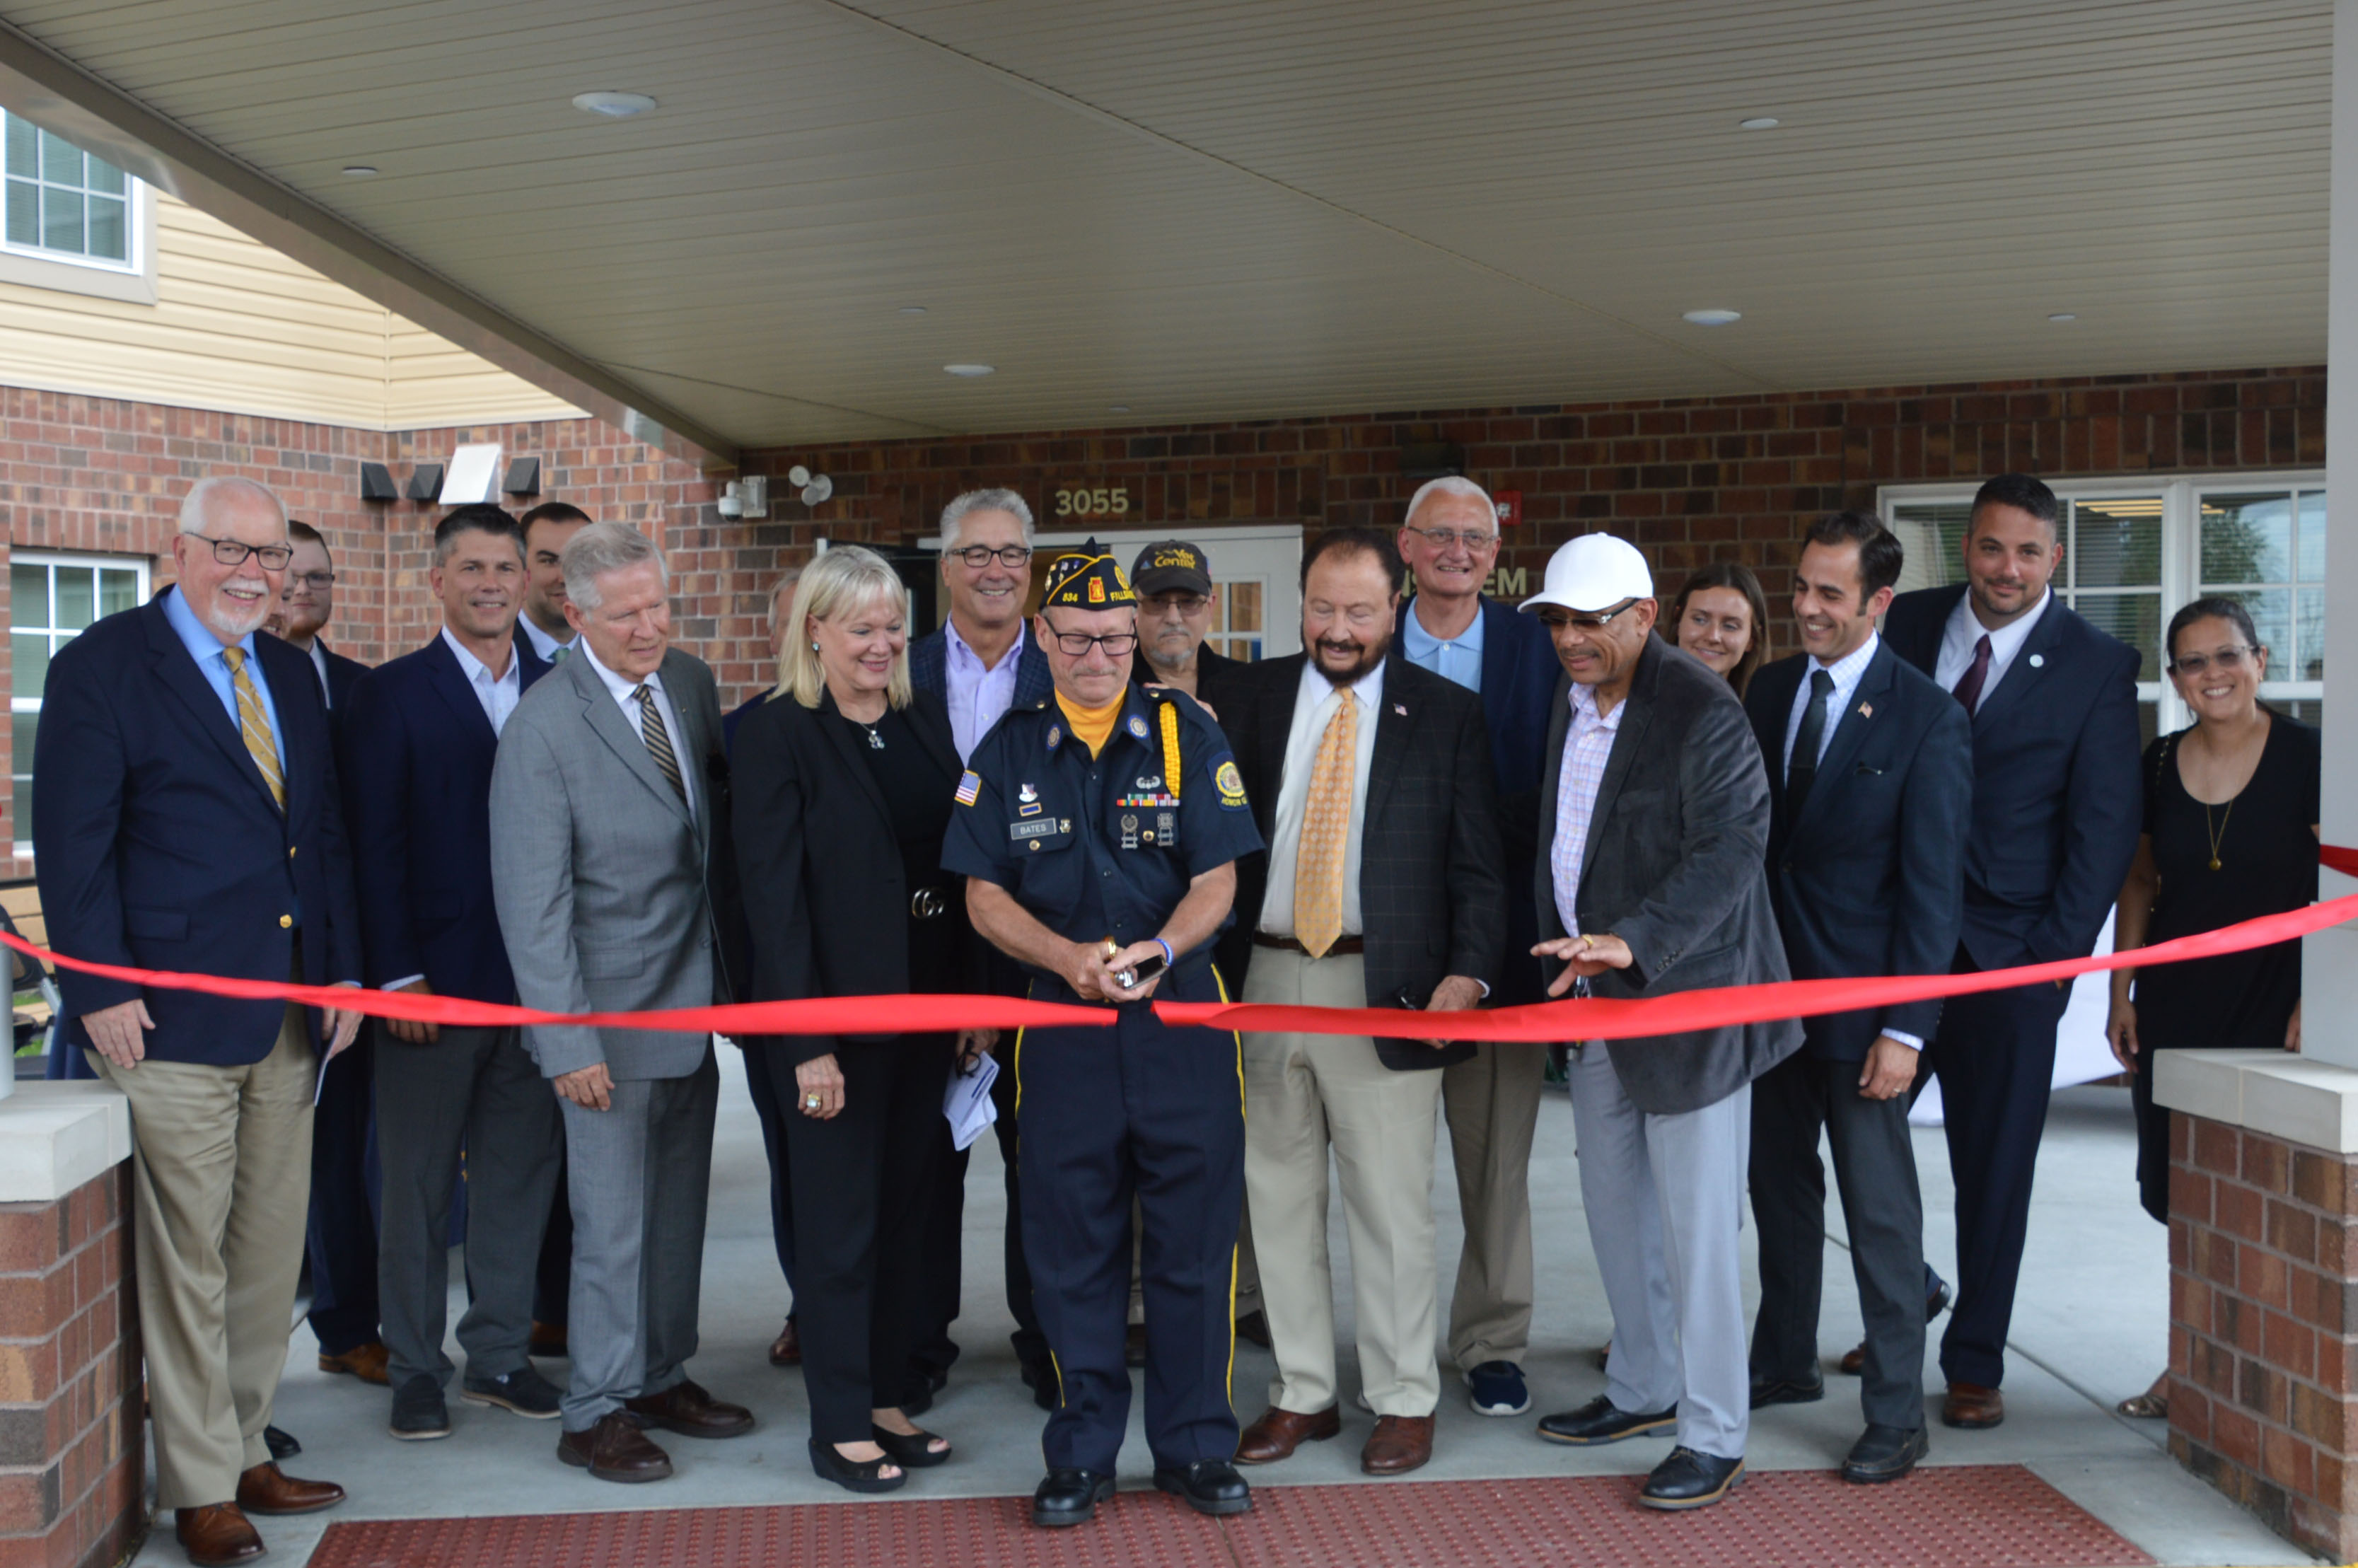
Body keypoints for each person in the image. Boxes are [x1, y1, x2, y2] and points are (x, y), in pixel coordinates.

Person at [34, 475, 364, 1567]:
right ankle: (199, 1486)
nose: (252, 573)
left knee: (269, 1251)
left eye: (268, 556)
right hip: (163, 1015)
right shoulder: (102, 667)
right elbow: (75, 844)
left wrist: (345, 979)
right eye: (230, 549)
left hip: (289, 1006)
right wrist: (97, 984)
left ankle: (243, 1443)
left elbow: (321, 839)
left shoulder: (286, 672)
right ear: (178, 548)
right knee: (189, 1263)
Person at [941, 540, 1264, 1528]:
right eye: (1078, 639)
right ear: (1041, 636)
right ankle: (1080, 1453)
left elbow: (1220, 876)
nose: (1100, 657)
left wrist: (1162, 948)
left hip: (1182, 1025)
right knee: (1069, 1249)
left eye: (1117, 639)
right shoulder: (1005, 748)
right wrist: (1065, 955)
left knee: (1193, 1249)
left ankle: (1196, 1446)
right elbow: (981, 892)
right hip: (1065, 1034)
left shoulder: (1186, 733)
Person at [1220, 526, 1506, 1478]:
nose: (1336, 628)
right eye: (1320, 607)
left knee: (1389, 1206)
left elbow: (1478, 864)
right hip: (1260, 977)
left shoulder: (1449, 714)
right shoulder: (1247, 698)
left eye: (1357, 610)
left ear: (1396, 608)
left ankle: (1401, 1397)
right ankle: (1302, 1391)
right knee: (1278, 1196)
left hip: (1388, 990)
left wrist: (1465, 974)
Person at [1523, 533, 1799, 1513]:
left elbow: (1731, 852)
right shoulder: (1573, 698)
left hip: (1686, 1006)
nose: (1569, 638)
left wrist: (1629, 942)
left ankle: (1714, 1430)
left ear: (1643, 616)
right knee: (1614, 1214)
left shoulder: (1698, 706)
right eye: (1557, 619)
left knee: (1694, 1236)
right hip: (1596, 1003)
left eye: (1590, 620)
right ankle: (1641, 1388)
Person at [489, 522, 754, 1483]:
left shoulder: (687, 681)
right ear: (576, 613)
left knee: (676, 1212)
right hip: (601, 1024)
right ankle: (592, 1408)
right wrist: (566, 1042)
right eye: (628, 612)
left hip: (690, 1009)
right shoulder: (541, 727)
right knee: (610, 1229)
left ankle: (655, 1375)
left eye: (659, 605)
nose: (651, 627)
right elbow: (532, 903)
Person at [1881, 472, 2141, 1429]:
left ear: (2053, 557)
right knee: (1855, 1142)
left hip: (2010, 959)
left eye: (2027, 551)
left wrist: (2049, 962)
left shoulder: (2095, 663)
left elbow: (2103, 827)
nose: (2006, 567)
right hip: (1892, 947)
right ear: (1966, 547)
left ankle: (1973, 1360)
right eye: (1990, 547)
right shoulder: (1904, 625)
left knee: (1993, 1172)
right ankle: (1896, 1295)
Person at [735, 546, 994, 1493]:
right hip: (831, 1030)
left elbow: (957, 864)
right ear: (815, 632)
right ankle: (838, 1422)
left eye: (893, 627)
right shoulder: (774, 734)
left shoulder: (917, 721)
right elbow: (773, 903)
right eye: (862, 629)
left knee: (906, 1222)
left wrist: (970, 1001)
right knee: (839, 1230)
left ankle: (887, 1396)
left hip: (927, 1016)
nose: (883, 645)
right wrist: (807, 1044)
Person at [1741, 513, 1971, 1485]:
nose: (1804, 609)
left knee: (1880, 1217)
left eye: (1829, 594)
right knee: (1778, 1191)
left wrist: (1906, 1030)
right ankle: (1782, 1360)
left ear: (1878, 602)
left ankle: (1892, 1417)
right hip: (1765, 1001)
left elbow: (1931, 891)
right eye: (1799, 588)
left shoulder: (1925, 715)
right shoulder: (1770, 688)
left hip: (1866, 1013)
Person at [341, 503, 564, 1443]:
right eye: (468, 567)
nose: (488, 583)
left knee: (518, 1179)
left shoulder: (565, 685)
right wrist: (396, 977)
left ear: (525, 579)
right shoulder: (391, 695)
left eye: (503, 567)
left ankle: (500, 1355)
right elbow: (371, 847)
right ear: (437, 581)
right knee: (418, 1189)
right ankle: (418, 1367)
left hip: (540, 986)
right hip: (432, 986)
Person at [2106, 597, 2317, 1420]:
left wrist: (2321, 998)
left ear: (2260, 661)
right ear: (2175, 681)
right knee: (2182, 1194)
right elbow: (2139, 881)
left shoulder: (2308, 755)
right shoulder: (2157, 763)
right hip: (2175, 1001)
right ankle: (2186, 1364)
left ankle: (2268, 1376)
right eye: (2192, 663)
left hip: (2276, 999)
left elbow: (2343, 884)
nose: (2212, 674)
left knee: (2270, 1187)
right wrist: (2120, 992)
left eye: (2226, 655)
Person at [1394, 476, 1562, 1419]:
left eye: (1476, 536)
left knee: (1495, 1166)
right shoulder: (1364, 644)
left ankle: (1491, 1342)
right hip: (1381, 955)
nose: (1458, 550)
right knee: (1384, 1169)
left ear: (1495, 554)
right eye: (1439, 535)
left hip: (1503, 955)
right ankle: (1395, 1345)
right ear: (1407, 545)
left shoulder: (1535, 652)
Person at [909, 489, 1055, 1407]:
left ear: (1029, 569)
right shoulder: (901, 669)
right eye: (975, 553)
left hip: (1040, 963)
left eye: (1010, 553)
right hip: (922, 963)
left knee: (1044, 1170)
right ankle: (919, 1349)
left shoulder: (1069, 668)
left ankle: (1047, 1344)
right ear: (946, 567)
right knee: (925, 1174)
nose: (994, 568)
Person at [272, 518, 388, 1395]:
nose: (303, 590)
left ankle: (347, 1328)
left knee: (345, 1154)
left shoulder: (361, 690)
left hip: (345, 965)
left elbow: (366, 836)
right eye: (291, 573)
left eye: (320, 577)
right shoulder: (217, 686)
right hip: (244, 968)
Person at [513, 499, 592, 1357]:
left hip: (606, 978)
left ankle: (571, 1315)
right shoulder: (527, 684)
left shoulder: (664, 679)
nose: (562, 576)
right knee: (519, 1164)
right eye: (547, 560)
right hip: (488, 971)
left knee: (583, 1175)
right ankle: (532, 1317)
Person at [724, 568, 805, 1371]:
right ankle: (806, 1306)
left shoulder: (892, 722)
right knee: (793, 1161)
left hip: (882, 998)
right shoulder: (737, 733)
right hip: (771, 1000)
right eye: (794, 622)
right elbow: (732, 879)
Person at [1129, 539, 1244, 707]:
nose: (1173, 618)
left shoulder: (1243, 685)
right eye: (1157, 602)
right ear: (1133, 609)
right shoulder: (1112, 686)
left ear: (1210, 608)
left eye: (1189, 602)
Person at [1666, 562, 1770, 697]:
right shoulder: (1635, 701)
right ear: (1678, 620)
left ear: (1751, 639)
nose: (1712, 636)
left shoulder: (1766, 713)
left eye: (1730, 626)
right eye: (1700, 620)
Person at [516, 501, 591, 664]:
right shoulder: (492, 651)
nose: (564, 578)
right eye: (550, 561)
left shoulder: (617, 649)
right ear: (520, 567)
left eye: (578, 560)